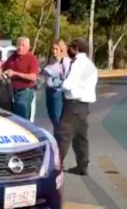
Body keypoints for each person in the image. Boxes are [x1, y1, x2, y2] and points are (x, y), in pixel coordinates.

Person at [57, 38, 98, 176]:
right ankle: (82, 165)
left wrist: (61, 84)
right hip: (83, 106)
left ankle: (55, 166)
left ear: (76, 49)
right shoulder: (90, 64)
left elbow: (69, 84)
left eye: (71, 48)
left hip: (72, 103)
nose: (69, 50)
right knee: (81, 137)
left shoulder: (78, 63)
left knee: (63, 135)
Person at [0, 36, 39, 120]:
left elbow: (33, 77)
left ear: (28, 47)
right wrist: (2, 74)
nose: (20, 48)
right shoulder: (12, 58)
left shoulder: (32, 59)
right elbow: (2, 68)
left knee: (22, 118)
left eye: (23, 45)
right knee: (14, 118)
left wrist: (15, 74)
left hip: (25, 91)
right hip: (12, 91)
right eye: (18, 45)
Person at [41, 39, 71, 136]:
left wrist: (55, 79)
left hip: (58, 93)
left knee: (58, 119)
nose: (54, 51)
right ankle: (58, 138)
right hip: (49, 91)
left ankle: (60, 141)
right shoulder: (51, 60)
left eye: (56, 49)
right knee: (52, 117)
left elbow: (67, 79)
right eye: (53, 49)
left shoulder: (65, 62)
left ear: (61, 50)